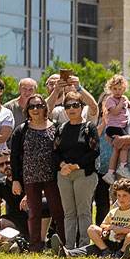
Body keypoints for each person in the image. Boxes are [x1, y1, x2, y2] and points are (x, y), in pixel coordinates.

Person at [9, 94, 66, 253]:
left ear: (45, 108)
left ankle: (62, 246)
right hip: (30, 177)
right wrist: (16, 180)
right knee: (34, 213)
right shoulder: (21, 130)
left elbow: (61, 150)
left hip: (52, 177)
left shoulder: (55, 126)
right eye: (32, 106)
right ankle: (34, 247)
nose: (35, 109)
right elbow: (14, 156)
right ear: (27, 109)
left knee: (58, 212)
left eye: (39, 105)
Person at [52, 91, 100, 249]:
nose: (72, 109)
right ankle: (69, 247)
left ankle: (85, 246)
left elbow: (95, 150)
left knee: (84, 212)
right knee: (69, 213)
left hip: (84, 174)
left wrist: (77, 165)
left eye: (75, 105)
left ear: (82, 107)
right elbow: (54, 152)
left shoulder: (89, 127)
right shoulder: (61, 128)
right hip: (64, 174)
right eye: (68, 106)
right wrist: (62, 165)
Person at [52, 178, 130, 259]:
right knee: (92, 231)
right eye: (118, 195)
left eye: (125, 195)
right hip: (110, 239)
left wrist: (123, 230)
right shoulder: (113, 211)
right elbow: (103, 225)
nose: (121, 199)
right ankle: (69, 253)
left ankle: (121, 254)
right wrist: (110, 227)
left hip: (126, 243)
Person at [0, 149, 30, 241]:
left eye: (8, 162)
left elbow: (43, 192)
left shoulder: (26, 177)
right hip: (13, 217)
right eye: (2, 164)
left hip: (31, 216)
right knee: (1, 223)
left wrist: (28, 196)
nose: (6, 166)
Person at [102, 74, 130, 183]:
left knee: (117, 148)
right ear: (110, 89)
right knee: (125, 144)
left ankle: (110, 172)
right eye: (115, 89)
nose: (118, 91)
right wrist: (121, 102)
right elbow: (115, 111)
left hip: (120, 127)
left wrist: (129, 104)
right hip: (113, 127)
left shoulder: (124, 98)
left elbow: (129, 106)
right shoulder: (110, 100)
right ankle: (122, 167)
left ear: (124, 89)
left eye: (120, 89)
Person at [95, 93, 114, 224]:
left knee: (109, 204)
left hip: (113, 169)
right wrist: (103, 122)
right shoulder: (95, 118)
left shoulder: (121, 119)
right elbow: (94, 137)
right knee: (97, 203)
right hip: (97, 168)